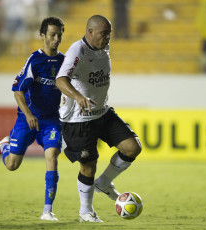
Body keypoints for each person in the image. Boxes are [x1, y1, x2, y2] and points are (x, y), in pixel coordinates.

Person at [55, 15, 142, 223]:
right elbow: (60, 79)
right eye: (104, 33)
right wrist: (78, 97)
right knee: (88, 165)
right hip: (78, 118)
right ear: (90, 32)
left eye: (110, 34)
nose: (108, 38)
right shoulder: (78, 51)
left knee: (132, 147)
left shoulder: (104, 48)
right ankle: (86, 211)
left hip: (101, 112)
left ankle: (104, 183)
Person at [0, 17, 65, 221]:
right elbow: (17, 92)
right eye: (52, 35)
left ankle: (47, 211)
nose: (56, 39)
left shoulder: (64, 62)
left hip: (50, 120)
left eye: (59, 35)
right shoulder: (35, 60)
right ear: (42, 36)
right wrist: (29, 114)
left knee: (53, 156)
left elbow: (66, 86)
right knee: (12, 165)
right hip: (27, 119)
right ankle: (5, 146)